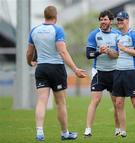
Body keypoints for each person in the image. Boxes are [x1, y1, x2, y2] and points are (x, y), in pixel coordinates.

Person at [26, 5, 87, 141]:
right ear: (56, 16)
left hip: (41, 68)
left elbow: (29, 52)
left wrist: (29, 62)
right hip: (56, 69)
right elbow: (62, 52)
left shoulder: (34, 30)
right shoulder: (57, 30)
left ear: (45, 15)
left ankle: (39, 133)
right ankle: (65, 133)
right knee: (60, 103)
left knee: (41, 101)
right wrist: (75, 69)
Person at [84, 10, 122, 137]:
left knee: (116, 103)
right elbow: (88, 55)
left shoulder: (117, 34)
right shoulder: (94, 34)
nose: (103, 22)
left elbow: (118, 55)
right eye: (101, 19)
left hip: (114, 72)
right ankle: (88, 130)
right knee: (95, 100)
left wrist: (109, 51)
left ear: (110, 21)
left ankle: (117, 129)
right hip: (99, 72)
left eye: (105, 19)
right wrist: (99, 52)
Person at [112, 11, 135, 138]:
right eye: (118, 20)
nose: (119, 22)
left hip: (132, 72)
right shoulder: (117, 36)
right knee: (119, 102)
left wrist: (125, 49)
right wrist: (107, 51)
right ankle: (123, 131)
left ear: (127, 20)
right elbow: (116, 54)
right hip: (118, 72)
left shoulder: (134, 35)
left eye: (121, 20)